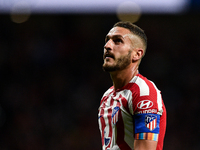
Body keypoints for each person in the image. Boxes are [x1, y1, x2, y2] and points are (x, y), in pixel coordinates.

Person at [98, 21, 166, 150]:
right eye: (107, 40)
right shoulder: (107, 96)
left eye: (117, 41)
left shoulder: (143, 93)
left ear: (137, 54)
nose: (107, 46)